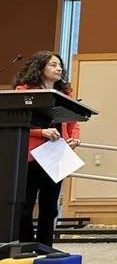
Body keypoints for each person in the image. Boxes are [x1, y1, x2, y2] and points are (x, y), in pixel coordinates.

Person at [12, 51, 81, 248]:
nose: (58, 68)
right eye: (53, 65)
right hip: (32, 157)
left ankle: (46, 247)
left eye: (59, 65)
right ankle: (26, 246)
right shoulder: (23, 90)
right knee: (25, 206)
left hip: (57, 155)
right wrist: (41, 132)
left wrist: (74, 138)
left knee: (49, 208)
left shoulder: (65, 93)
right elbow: (18, 122)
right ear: (40, 67)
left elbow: (73, 122)